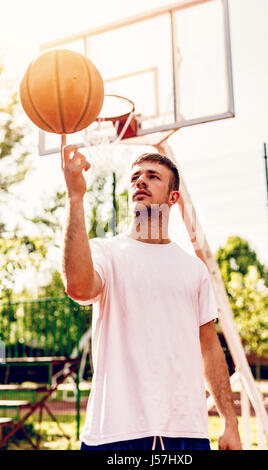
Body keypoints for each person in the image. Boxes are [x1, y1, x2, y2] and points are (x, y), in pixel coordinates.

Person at [60, 142, 242, 451]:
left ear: (173, 198)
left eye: (153, 176)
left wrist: (230, 422)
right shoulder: (106, 252)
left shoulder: (193, 269)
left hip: (186, 432)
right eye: (135, 177)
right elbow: (78, 287)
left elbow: (210, 348)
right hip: (114, 433)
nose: (141, 181)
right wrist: (75, 197)